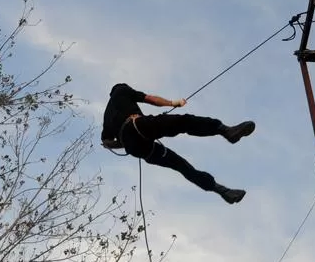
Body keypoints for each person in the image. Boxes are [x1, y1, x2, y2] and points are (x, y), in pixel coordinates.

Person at [100, 83, 255, 204]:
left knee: (180, 165)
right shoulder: (122, 91)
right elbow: (151, 99)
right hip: (138, 125)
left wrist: (125, 142)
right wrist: (174, 103)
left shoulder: (107, 115)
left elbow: (107, 143)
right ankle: (225, 130)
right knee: (183, 122)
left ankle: (222, 191)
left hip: (137, 148)